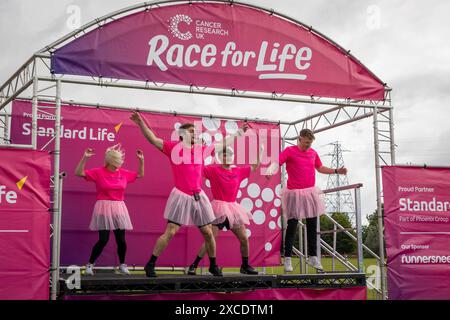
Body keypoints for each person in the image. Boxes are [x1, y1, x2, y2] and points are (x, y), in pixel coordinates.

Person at [130, 111, 247, 277]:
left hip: (198, 197)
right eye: (192, 132)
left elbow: (222, 144)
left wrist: (239, 133)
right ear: (182, 135)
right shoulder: (173, 148)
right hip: (181, 196)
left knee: (208, 232)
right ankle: (150, 264)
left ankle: (213, 265)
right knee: (170, 231)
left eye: (196, 132)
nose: (196, 134)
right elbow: (154, 140)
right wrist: (141, 123)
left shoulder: (202, 150)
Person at [266, 129, 347, 272]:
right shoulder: (290, 151)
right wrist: (270, 171)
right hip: (294, 193)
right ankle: (288, 258)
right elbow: (276, 162)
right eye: (306, 143)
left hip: (309, 192)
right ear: (300, 139)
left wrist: (336, 171)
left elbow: (320, 167)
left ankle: (313, 257)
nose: (308, 146)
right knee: (292, 225)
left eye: (310, 143)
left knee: (312, 224)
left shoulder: (313, 153)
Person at [187, 144, 263, 276]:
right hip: (218, 208)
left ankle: (245, 266)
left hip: (233, 209)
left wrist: (260, 150)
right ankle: (194, 265)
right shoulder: (213, 170)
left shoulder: (238, 171)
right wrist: (200, 151)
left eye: (229, 155)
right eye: (224, 155)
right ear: (220, 158)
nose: (227, 157)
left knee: (244, 238)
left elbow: (255, 166)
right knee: (210, 238)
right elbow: (198, 168)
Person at [75, 144, 144, 276]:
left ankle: (122, 265)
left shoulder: (123, 173)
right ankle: (90, 265)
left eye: (120, 160)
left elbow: (140, 174)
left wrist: (141, 160)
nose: (120, 163)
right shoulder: (98, 172)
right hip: (103, 208)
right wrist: (85, 158)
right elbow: (78, 173)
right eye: (117, 160)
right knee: (103, 239)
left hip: (118, 208)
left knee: (121, 240)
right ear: (111, 161)